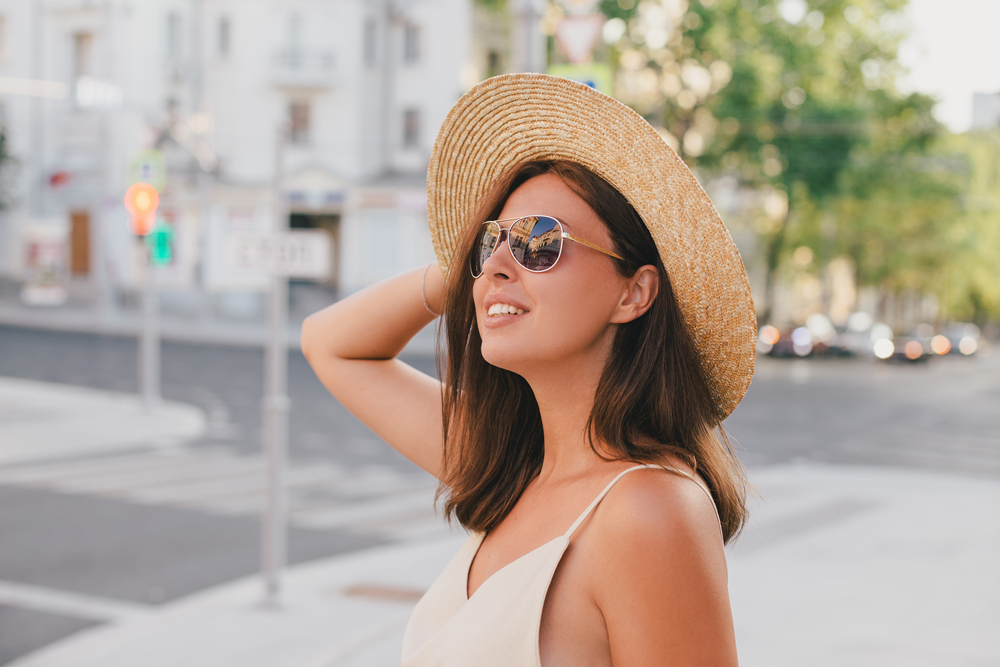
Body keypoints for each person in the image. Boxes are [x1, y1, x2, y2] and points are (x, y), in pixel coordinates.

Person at [302, 73, 757, 667]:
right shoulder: (513, 464)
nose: (495, 264)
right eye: (491, 241)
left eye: (540, 241)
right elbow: (329, 343)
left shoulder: (650, 510)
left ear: (634, 293)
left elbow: (335, 349)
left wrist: (497, 270)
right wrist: (476, 264)